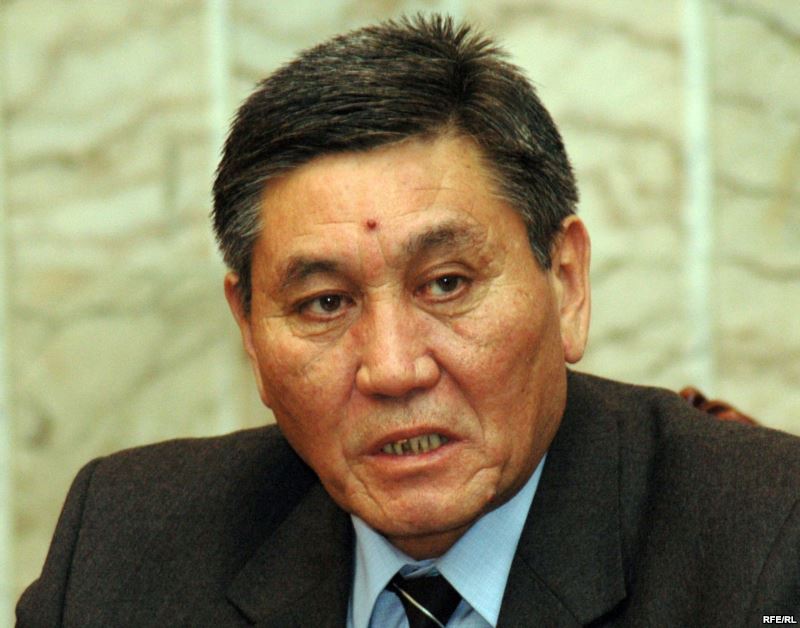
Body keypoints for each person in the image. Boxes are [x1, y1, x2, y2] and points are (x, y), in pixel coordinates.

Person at [17, 14, 800, 627]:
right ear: (249, 332)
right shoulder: (122, 549)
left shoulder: (767, 543)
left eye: (447, 284)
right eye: (325, 303)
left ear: (566, 284)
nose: (393, 369)